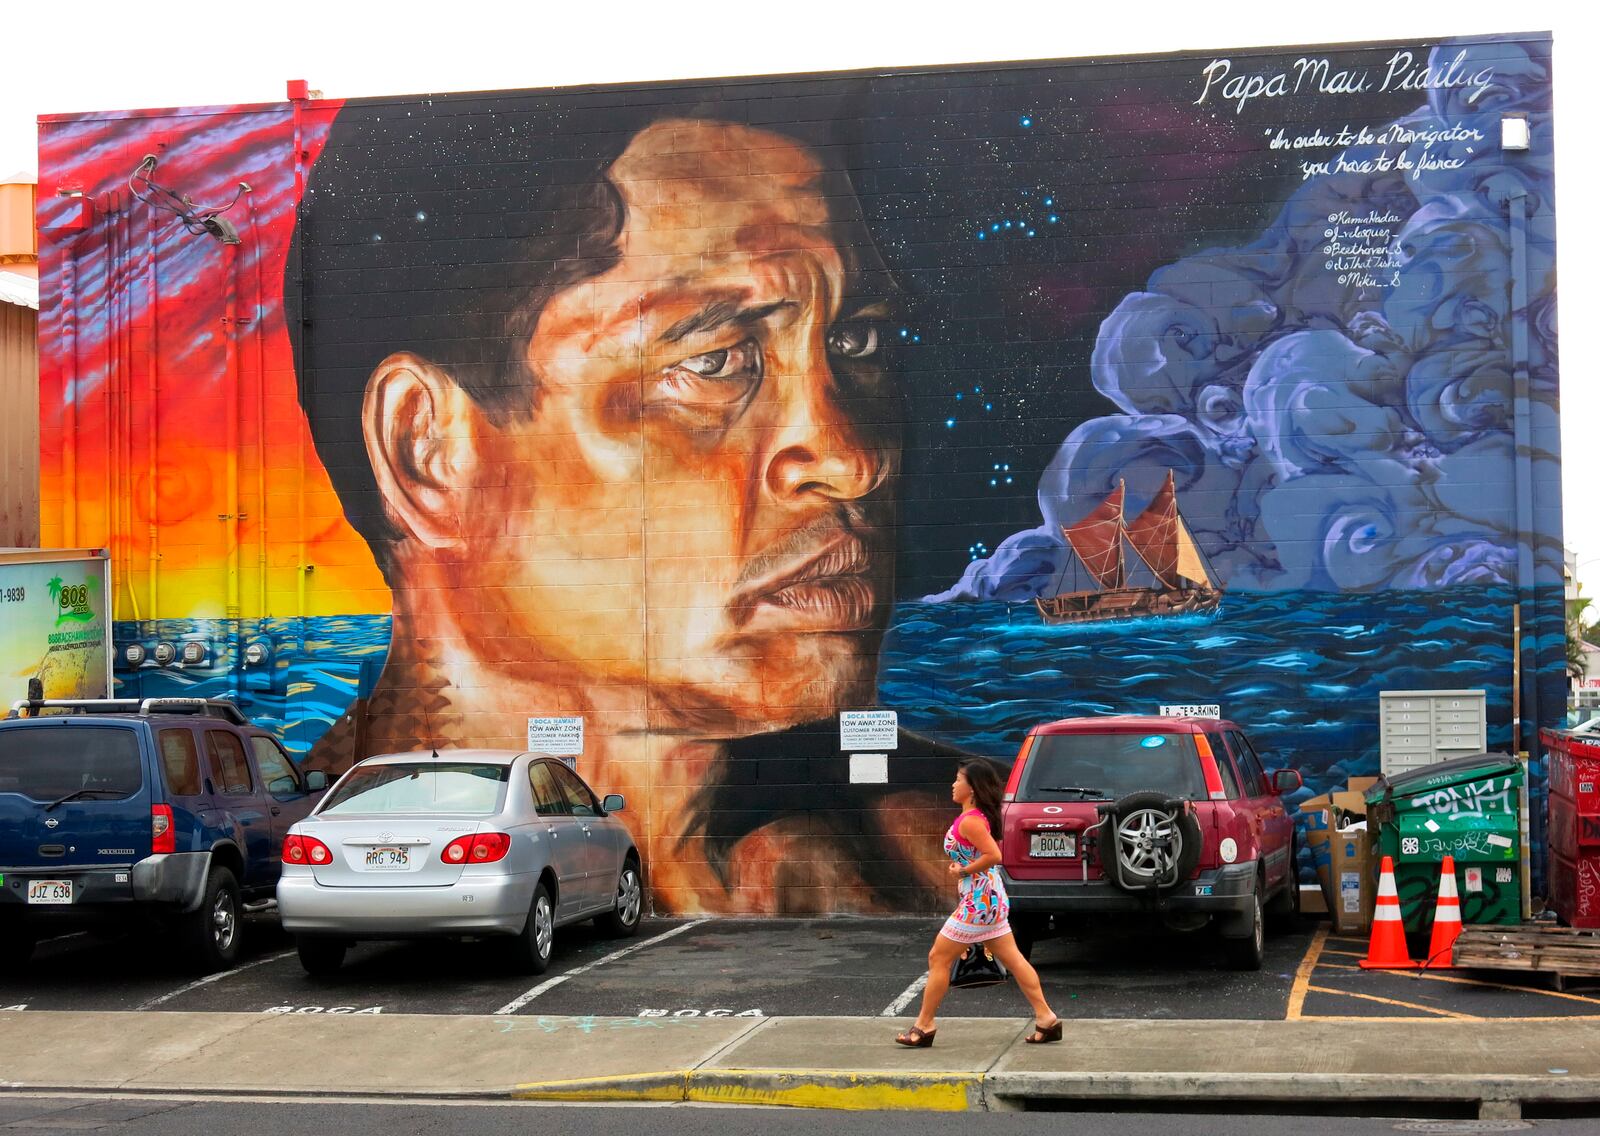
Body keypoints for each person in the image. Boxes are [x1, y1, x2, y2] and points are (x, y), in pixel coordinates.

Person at [286, 98, 965, 915]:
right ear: (427, 451)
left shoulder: (936, 835)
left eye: (859, 343)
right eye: (713, 359)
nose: (850, 461)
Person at [895, 760, 1061, 1047]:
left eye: (958, 780)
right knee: (1014, 959)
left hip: (978, 904)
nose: (953, 785)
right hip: (989, 899)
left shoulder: (971, 821)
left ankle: (924, 1026)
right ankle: (1046, 1019)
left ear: (971, 788)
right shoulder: (976, 817)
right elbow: (981, 854)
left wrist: (963, 870)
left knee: (938, 958)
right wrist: (965, 866)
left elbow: (994, 855)